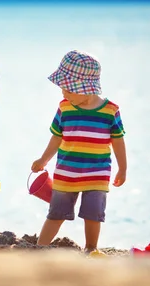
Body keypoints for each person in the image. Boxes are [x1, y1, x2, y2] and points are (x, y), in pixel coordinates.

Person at [31, 50, 127, 256]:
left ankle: (91, 248)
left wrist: (123, 168)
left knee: (93, 214)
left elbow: (118, 141)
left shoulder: (110, 111)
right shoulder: (65, 108)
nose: (63, 93)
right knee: (56, 213)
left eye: (68, 88)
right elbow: (56, 137)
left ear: (86, 88)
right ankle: (40, 247)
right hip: (67, 171)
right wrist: (43, 159)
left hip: (97, 173)